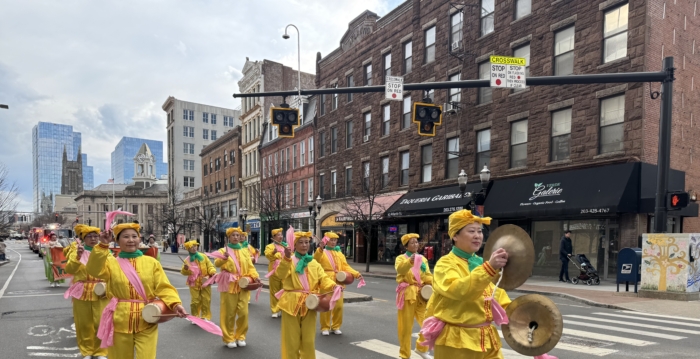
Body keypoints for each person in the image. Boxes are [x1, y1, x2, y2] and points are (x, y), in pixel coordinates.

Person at [87, 222, 187, 359]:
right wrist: (103, 245)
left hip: (147, 318)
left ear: (140, 239)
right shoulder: (110, 262)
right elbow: (94, 269)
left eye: (134, 236)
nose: (130, 240)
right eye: (126, 237)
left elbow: (164, 287)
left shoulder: (151, 263)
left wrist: (175, 304)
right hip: (119, 319)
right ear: (117, 241)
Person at [419, 209, 510, 359]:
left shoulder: (480, 263)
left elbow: (494, 294)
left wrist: (518, 312)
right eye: (472, 231)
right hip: (456, 342)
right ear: (455, 235)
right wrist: (488, 269)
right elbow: (460, 290)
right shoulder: (445, 264)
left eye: (480, 231)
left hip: (487, 339)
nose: (477, 236)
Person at [273, 230, 342, 359]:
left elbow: (323, 278)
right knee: (291, 341)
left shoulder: (313, 263)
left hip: (310, 303)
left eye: (307, 242)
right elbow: (279, 275)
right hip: (291, 304)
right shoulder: (289, 261)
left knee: (308, 341)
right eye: (301, 242)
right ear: (294, 245)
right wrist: (286, 258)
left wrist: (334, 285)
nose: (304, 245)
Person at [64, 224, 109, 359]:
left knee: (101, 322)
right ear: (83, 238)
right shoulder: (77, 251)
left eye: (96, 236)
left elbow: (112, 270)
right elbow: (70, 270)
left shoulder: (104, 250)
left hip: (102, 291)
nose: (93, 239)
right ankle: (87, 351)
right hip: (82, 290)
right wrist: (77, 257)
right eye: (89, 236)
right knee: (83, 324)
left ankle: (101, 351)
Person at [214, 227, 260, 348]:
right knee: (229, 313)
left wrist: (255, 277)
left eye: (238, 235)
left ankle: (241, 336)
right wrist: (223, 258)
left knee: (243, 312)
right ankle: (229, 338)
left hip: (243, 284)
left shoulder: (245, 251)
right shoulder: (223, 250)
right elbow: (216, 263)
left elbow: (250, 267)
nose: (236, 237)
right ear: (228, 237)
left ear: (240, 237)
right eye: (233, 235)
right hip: (229, 284)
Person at [313, 231, 362, 336]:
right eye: (331, 240)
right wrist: (320, 249)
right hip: (326, 280)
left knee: (338, 306)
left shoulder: (339, 253)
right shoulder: (321, 251)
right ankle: (325, 327)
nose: (333, 242)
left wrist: (356, 274)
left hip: (339, 282)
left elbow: (345, 266)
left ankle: (336, 326)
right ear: (326, 241)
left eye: (335, 240)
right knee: (326, 304)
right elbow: (315, 261)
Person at [395, 233, 433, 359]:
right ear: (406, 246)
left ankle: (421, 348)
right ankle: (404, 354)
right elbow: (400, 270)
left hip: (422, 295)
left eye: (417, 242)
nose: (415, 244)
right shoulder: (401, 258)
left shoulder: (423, 259)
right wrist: (409, 262)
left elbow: (427, 275)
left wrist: (434, 283)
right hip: (408, 294)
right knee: (406, 326)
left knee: (428, 323)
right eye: (412, 242)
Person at [181, 240, 216, 322]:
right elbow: (183, 272)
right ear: (188, 249)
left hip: (205, 281)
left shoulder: (203, 256)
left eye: (195, 246)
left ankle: (205, 316)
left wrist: (212, 271)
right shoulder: (187, 260)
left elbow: (210, 266)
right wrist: (185, 269)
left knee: (206, 299)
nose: (194, 248)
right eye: (191, 247)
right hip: (194, 282)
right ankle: (195, 317)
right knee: (195, 300)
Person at [264, 228, 286, 318]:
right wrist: (273, 253)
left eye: (281, 235)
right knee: (274, 291)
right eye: (278, 235)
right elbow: (268, 255)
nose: (281, 236)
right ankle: (275, 310)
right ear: (274, 237)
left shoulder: (285, 246)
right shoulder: (270, 246)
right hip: (274, 271)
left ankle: (282, 308)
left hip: (285, 271)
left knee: (284, 290)